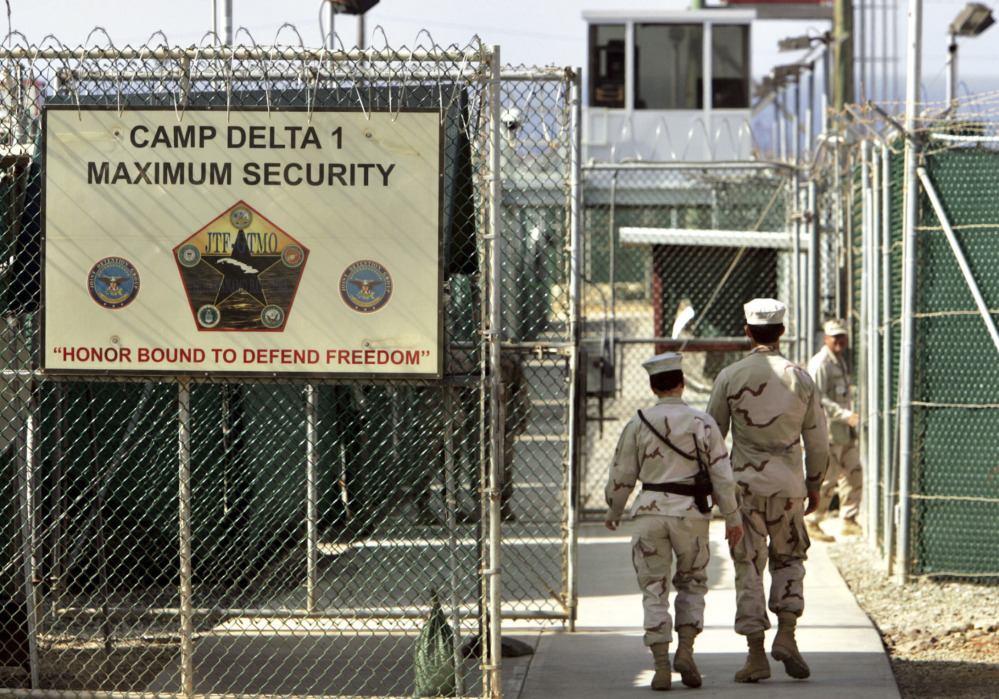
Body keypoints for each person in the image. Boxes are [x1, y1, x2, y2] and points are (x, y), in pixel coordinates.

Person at [706, 298, 829, 683]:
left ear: (747, 332)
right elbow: (819, 440)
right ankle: (788, 635)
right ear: (782, 332)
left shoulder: (730, 376)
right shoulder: (801, 376)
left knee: (748, 565)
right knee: (790, 559)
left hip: (743, 489)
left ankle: (756, 654)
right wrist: (815, 484)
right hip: (789, 486)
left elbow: (712, 437)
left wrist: (716, 491)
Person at [605, 351, 744, 691]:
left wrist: (614, 510)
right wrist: (732, 517)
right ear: (681, 384)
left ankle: (660, 666)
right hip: (691, 515)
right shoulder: (703, 423)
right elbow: (723, 476)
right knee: (693, 582)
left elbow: (623, 474)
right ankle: (686, 650)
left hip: (650, 513)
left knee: (654, 589)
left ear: (654, 387)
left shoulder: (638, 422)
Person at [806, 318, 863, 542]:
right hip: (828, 430)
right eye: (835, 337)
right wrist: (844, 414)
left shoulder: (838, 360)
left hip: (842, 431)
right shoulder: (821, 364)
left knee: (854, 472)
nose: (839, 341)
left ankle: (849, 519)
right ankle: (811, 521)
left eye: (842, 337)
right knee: (828, 479)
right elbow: (818, 398)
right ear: (826, 339)